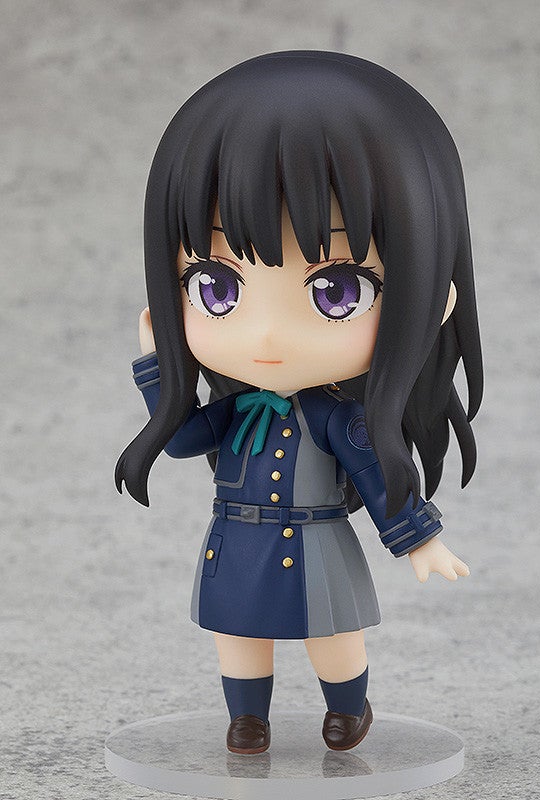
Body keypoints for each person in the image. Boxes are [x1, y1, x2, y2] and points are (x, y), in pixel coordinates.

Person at [116, 51, 483, 755]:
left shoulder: (335, 418)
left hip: (312, 543)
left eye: (337, 290)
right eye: (215, 285)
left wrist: (420, 538)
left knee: (331, 635)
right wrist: (156, 369)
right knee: (237, 635)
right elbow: (185, 440)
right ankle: (246, 718)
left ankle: (348, 709)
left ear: (430, 299)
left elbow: (375, 475)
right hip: (236, 539)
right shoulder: (236, 413)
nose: (267, 336)